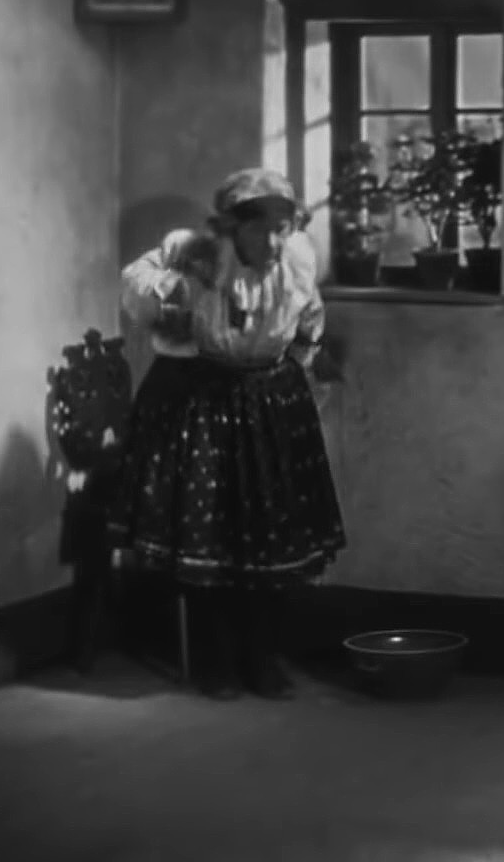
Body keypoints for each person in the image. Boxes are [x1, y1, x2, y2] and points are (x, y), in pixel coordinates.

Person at [108, 168, 346, 699]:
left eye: (284, 228)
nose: (275, 242)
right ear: (234, 228)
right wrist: (173, 288)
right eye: (262, 230)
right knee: (209, 532)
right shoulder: (195, 251)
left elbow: (309, 316)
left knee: (270, 533)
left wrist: (304, 361)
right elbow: (135, 285)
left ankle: (261, 658)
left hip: (268, 398)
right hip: (204, 398)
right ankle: (215, 660)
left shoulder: (298, 257)